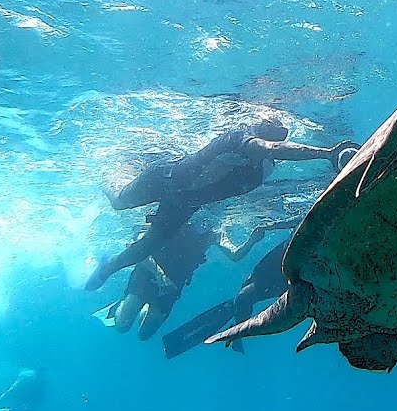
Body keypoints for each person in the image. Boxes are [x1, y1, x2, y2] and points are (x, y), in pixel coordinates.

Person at [85, 119, 358, 291]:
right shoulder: (237, 138)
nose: (273, 144)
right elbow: (272, 149)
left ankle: (107, 268)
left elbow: (270, 157)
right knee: (119, 203)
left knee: (148, 246)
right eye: (272, 136)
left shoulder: (257, 174)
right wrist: (328, 154)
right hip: (164, 178)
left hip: (183, 205)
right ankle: (107, 176)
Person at [95, 212, 299, 341]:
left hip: (172, 287)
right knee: (122, 326)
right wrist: (160, 275)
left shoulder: (214, 233)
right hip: (146, 274)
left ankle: (144, 306)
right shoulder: (173, 220)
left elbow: (235, 255)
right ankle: (124, 301)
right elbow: (139, 250)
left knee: (144, 335)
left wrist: (252, 241)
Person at [160, 222, 296, 359]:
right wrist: (268, 227)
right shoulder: (191, 229)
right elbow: (295, 220)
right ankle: (237, 327)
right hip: (279, 263)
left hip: (290, 269)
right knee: (242, 297)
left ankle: (237, 330)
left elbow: (296, 220)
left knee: (243, 298)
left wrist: (262, 232)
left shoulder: (215, 233)